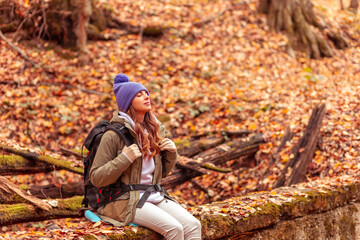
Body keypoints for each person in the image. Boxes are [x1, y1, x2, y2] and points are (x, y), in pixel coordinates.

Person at [89, 74, 202, 240]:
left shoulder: (153, 130)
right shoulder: (113, 135)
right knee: (174, 229)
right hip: (125, 200)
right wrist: (124, 159)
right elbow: (96, 178)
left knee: (193, 226)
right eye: (139, 95)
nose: (146, 96)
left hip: (154, 195)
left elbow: (161, 174)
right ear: (128, 102)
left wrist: (171, 154)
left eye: (146, 93)